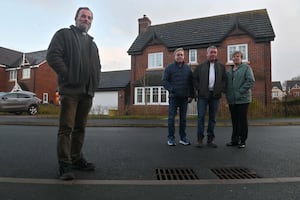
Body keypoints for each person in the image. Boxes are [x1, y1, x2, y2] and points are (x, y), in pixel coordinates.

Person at [46, 7, 101, 180]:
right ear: (76, 18)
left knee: (80, 128)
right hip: (70, 92)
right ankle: (64, 165)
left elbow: (97, 67)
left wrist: (95, 83)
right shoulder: (64, 35)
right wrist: (69, 75)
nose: (86, 20)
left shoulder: (92, 44)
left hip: (87, 93)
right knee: (66, 128)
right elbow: (53, 55)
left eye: (89, 18)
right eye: (83, 16)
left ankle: (76, 158)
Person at [193, 46, 226, 148]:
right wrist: (200, 89)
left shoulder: (221, 66)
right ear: (207, 54)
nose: (213, 54)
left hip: (215, 96)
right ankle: (199, 139)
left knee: (213, 118)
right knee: (201, 117)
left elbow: (224, 80)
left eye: (215, 52)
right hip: (203, 95)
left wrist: (220, 89)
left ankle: (210, 140)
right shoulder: (200, 67)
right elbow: (194, 79)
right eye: (211, 52)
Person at [162, 48, 194, 146]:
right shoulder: (169, 68)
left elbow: (191, 83)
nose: (180, 56)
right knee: (171, 118)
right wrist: (172, 89)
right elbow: (165, 81)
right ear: (174, 56)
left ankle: (183, 138)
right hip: (174, 97)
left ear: (184, 56)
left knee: (183, 119)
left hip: (184, 98)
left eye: (181, 55)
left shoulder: (188, 69)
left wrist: (191, 95)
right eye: (178, 55)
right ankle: (171, 138)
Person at [225, 51, 255, 148]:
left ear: (241, 58)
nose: (236, 58)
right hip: (232, 100)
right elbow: (227, 85)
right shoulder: (229, 71)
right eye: (234, 56)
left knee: (242, 121)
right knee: (235, 121)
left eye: (238, 56)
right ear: (232, 59)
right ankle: (234, 140)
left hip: (243, 99)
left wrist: (240, 91)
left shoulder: (246, 68)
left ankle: (242, 141)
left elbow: (250, 81)